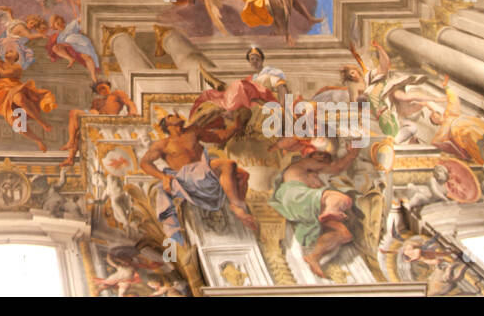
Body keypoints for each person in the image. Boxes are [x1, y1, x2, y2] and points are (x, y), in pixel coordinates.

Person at [140, 111, 258, 244]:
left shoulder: (193, 132)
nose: (176, 115)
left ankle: (241, 212)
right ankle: (237, 207)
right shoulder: (163, 144)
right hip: (186, 175)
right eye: (171, 116)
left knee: (243, 175)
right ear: (167, 124)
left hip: (204, 168)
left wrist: (235, 127)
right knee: (228, 165)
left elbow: (218, 137)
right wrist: (163, 177)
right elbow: (144, 163)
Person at [270, 145, 360, 278]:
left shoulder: (312, 177)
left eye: (326, 156)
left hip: (305, 207)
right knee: (345, 200)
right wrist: (353, 153)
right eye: (319, 153)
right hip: (295, 196)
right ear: (308, 155)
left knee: (344, 234)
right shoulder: (302, 164)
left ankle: (314, 257)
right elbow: (338, 168)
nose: (323, 156)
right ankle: (328, 212)